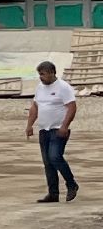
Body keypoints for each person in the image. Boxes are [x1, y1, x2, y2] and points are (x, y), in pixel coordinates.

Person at [27, 60, 79, 203]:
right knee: (48, 163)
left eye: (43, 74)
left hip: (58, 129)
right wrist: (30, 125)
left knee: (55, 157)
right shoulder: (40, 88)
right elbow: (35, 107)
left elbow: (72, 107)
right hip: (44, 130)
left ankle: (71, 184)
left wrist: (65, 126)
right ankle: (53, 194)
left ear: (52, 73)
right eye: (39, 74)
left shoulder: (63, 87)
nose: (40, 77)